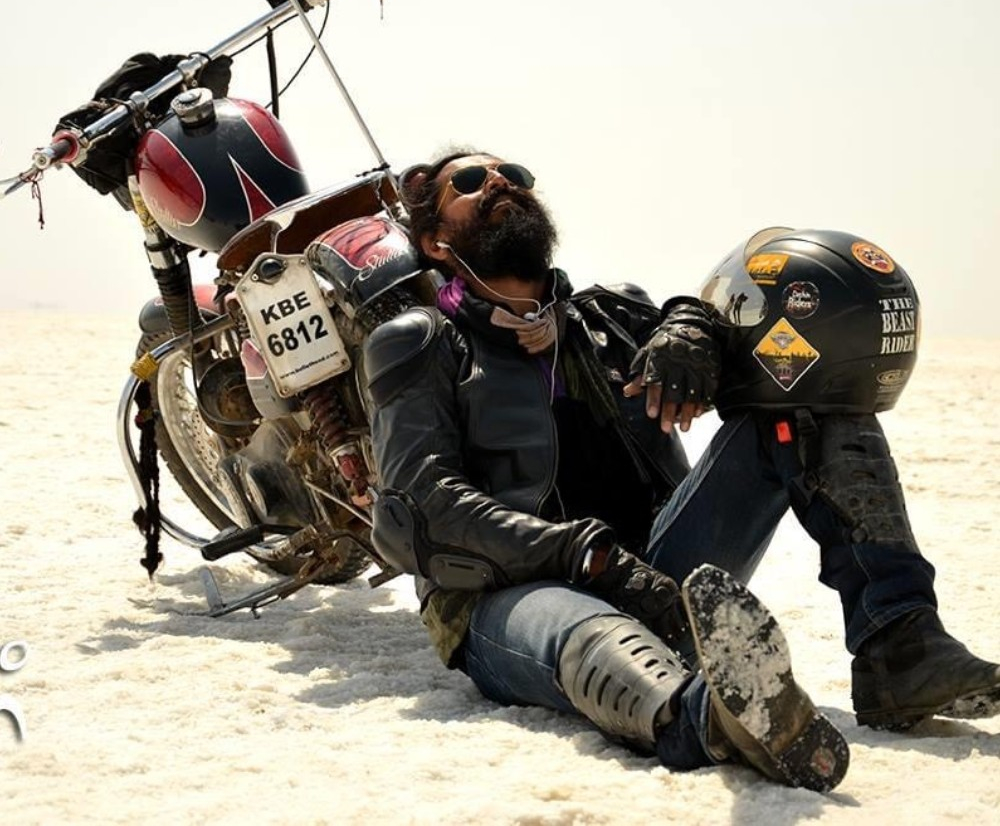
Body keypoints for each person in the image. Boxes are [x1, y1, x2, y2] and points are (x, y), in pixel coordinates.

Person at [360, 151, 994, 784]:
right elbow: (419, 511)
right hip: (508, 596)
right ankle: (706, 716)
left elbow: (729, 337)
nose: (500, 181)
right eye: (470, 182)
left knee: (807, 401)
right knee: (590, 628)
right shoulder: (421, 342)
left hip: (659, 575)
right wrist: (583, 556)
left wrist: (691, 329)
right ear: (436, 243)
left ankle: (900, 644)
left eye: (515, 176)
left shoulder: (609, 316)